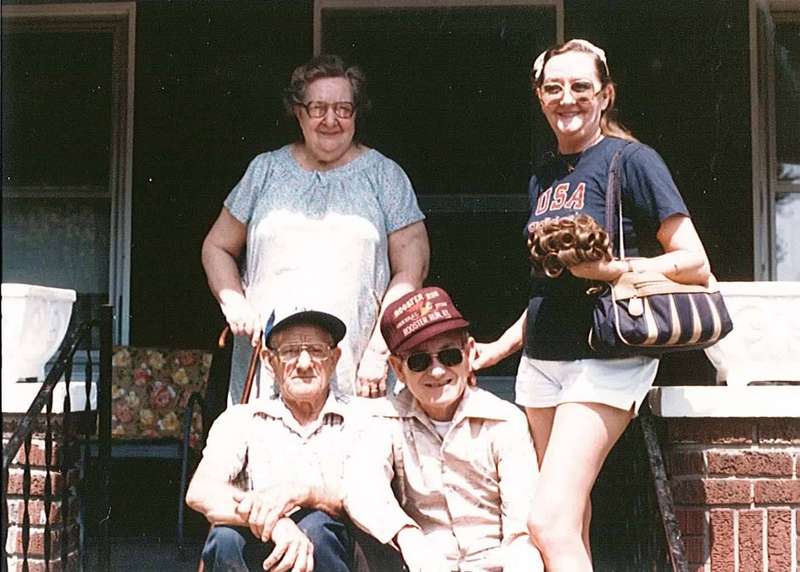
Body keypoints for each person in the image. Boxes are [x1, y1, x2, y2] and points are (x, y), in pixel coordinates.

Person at [472, 39, 712, 571]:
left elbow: (695, 263)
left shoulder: (633, 161)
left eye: (581, 86)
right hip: (543, 359)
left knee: (547, 522)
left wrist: (611, 271)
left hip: (606, 357)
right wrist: (499, 348)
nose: (567, 98)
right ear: (540, 97)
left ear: (606, 95)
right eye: (554, 88)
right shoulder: (545, 175)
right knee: (569, 519)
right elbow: (547, 286)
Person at [201, 54, 429, 404]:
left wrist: (380, 350)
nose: (330, 120)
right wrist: (234, 303)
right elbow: (217, 247)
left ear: (356, 113)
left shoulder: (385, 176)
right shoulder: (265, 171)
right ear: (298, 112)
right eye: (318, 108)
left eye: (343, 109)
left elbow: (412, 270)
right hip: (269, 363)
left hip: (359, 368)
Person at [345, 286, 543, 572]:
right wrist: (408, 536)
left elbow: (521, 518)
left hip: (496, 561)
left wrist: (518, 556)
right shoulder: (384, 420)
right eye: (419, 361)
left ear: (469, 353)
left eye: (450, 356)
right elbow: (361, 488)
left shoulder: (504, 421)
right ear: (398, 369)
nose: (437, 371)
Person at [186, 306, 359, 571]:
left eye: (316, 350)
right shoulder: (241, 420)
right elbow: (200, 491)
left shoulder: (361, 420)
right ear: (269, 361)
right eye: (290, 352)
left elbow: (369, 501)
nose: (304, 364)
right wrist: (277, 523)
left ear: (334, 359)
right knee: (226, 537)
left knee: (317, 527)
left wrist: (306, 494)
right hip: (264, 546)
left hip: (331, 554)